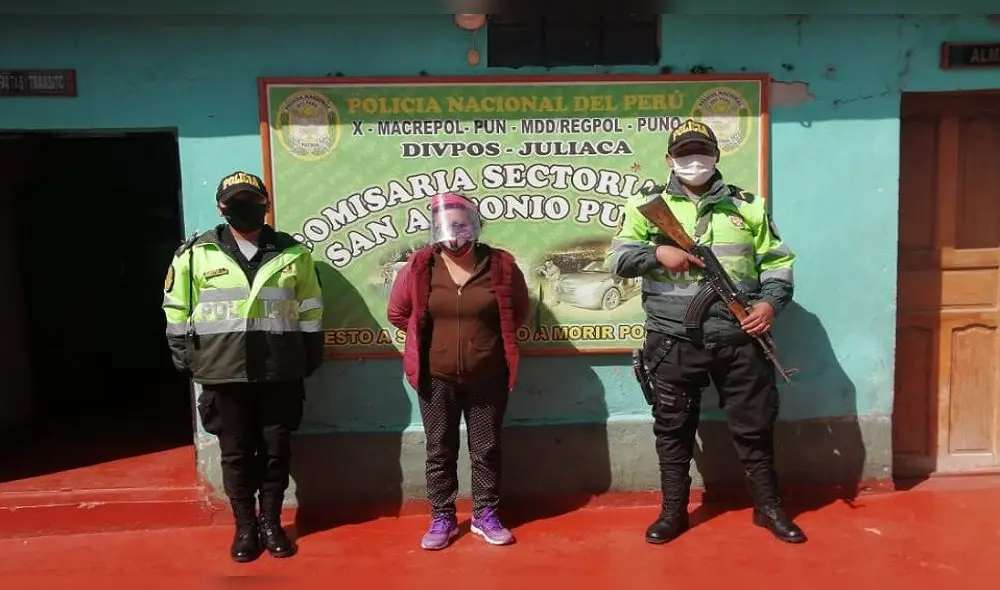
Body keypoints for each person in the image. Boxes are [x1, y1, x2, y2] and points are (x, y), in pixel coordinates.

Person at [608, 119, 804, 545]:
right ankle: (673, 512)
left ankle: (768, 508)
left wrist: (770, 304)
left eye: (701, 152)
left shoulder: (748, 206)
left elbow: (777, 262)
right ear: (669, 159)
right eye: (684, 154)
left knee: (755, 426)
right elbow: (619, 260)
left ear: (716, 156)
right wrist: (659, 253)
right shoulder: (647, 205)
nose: (693, 161)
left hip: (741, 339)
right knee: (673, 427)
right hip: (673, 339)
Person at [161, 171, 324, 562]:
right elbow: (176, 308)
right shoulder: (195, 254)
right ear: (222, 208)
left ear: (266, 205)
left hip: (278, 370)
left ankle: (271, 523)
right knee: (235, 454)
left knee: (275, 451)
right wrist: (185, 356)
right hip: (222, 369)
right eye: (235, 203)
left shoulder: (294, 253)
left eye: (251, 201)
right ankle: (244, 527)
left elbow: (311, 310)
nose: (244, 208)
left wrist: (310, 355)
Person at [387, 193, 530, 551]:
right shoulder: (420, 265)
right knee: (439, 448)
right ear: (435, 228)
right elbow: (397, 313)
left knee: (487, 448)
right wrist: (433, 344)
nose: (454, 232)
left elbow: (519, 312)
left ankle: (485, 515)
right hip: (436, 379)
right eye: (446, 225)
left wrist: (483, 345)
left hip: (488, 376)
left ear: (475, 224)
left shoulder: (500, 265)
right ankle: (443, 517)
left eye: (462, 223)